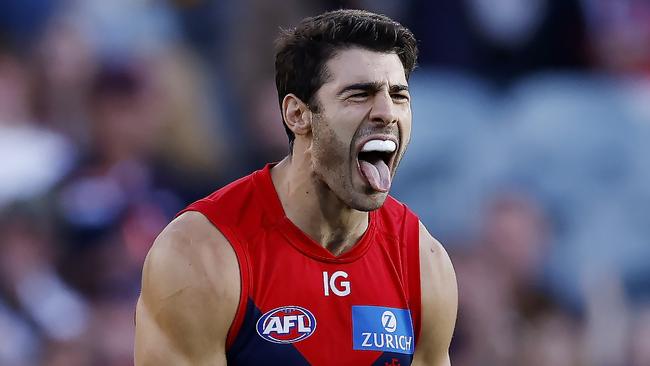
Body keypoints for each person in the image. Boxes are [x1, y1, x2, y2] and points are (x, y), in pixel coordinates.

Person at [134, 9, 457, 366]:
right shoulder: (202, 253)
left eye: (399, 96)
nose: (387, 112)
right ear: (297, 115)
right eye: (359, 94)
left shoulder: (424, 263)